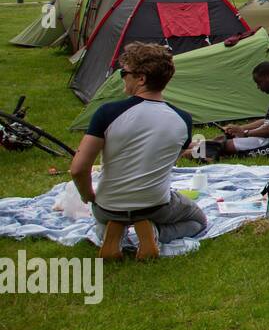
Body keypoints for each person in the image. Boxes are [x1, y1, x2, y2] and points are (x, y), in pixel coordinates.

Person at [68, 43, 207, 258]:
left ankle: (113, 232)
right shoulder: (183, 119)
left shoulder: (107, 113)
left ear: (141, 78)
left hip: (108, 207)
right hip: (155, 205)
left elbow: (78, 168)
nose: (122, 77)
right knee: (198, 221)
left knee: (104, 218)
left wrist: (89, 196)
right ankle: (155, 232)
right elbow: (168, 163)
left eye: (124, 73)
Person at [189, 62, 269, 160]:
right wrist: (239, 128)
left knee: (224, 146)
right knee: (221, 140)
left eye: (259, 82)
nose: (258, 87)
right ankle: (185, 148)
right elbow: (267, 121)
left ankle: (184, 153)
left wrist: (245, 133)